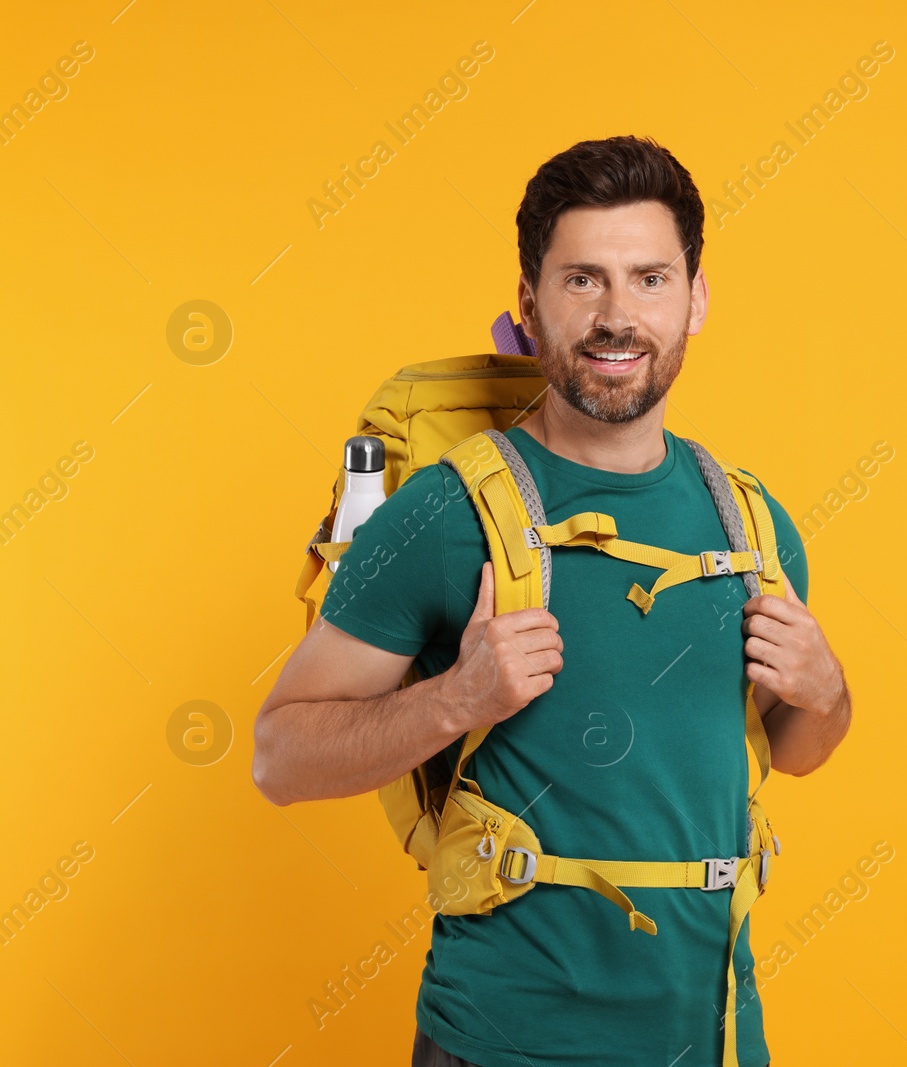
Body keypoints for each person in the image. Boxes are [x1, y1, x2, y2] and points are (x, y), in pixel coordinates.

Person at [252, 134, 853, 1067]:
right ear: (530, 305)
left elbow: (795, 752)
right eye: (584, 281)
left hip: (718, 1042)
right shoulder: (446, 513)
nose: (619, 315)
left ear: (696, 300)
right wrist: (459, 697)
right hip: (501, 1046)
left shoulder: (752, 522)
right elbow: (278, 757)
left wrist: (827, 691)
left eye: (650, 278)